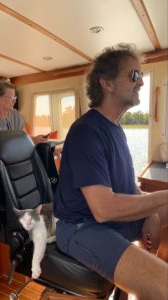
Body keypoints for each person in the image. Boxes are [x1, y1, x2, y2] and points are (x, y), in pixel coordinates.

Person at [54, 45, 168, 300]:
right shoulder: (86, 131)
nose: (140, 81)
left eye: (140, 74)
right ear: (106, 83)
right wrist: (162, 198)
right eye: (133, 75)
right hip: (83, 227)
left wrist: (152, 212)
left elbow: (129, 188)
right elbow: (103, 208)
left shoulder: (116, 130)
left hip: (115, 222)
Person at [0, 80, 47, 144]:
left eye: (15, 98)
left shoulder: (15, 114)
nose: (14, 101)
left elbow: (25, 136)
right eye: (11, 98)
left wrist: (35, 139)